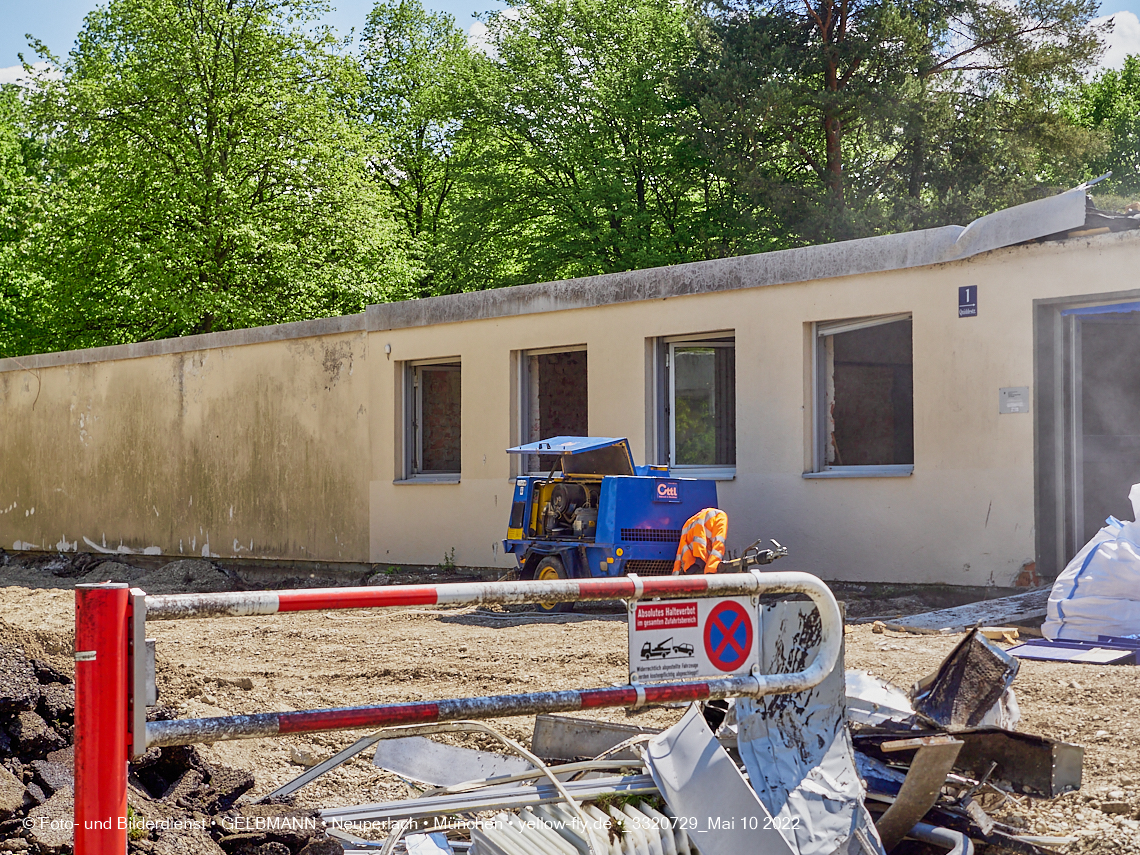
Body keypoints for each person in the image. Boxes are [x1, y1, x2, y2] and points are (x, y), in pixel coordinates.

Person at [672, 507, 728, 574]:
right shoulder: (720, 516)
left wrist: (675, 576)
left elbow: (680, 552)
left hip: (690, 567)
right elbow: (718, 544)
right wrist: (710, 571)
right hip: (701, 560)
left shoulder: (689, 522)